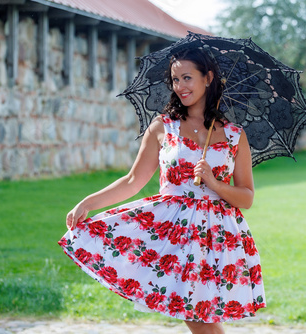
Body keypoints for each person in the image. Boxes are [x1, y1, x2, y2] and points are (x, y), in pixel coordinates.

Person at [59, 48, 266, 334]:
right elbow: (133, 180)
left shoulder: (234, 135)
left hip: (216, 238)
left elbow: (247, 197)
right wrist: (88, 202)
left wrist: (215, 183)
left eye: (187, 78)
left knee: (203, 320)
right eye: (175, 79)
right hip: (174, 235)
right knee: (199, 319)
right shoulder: (162, 127)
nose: (180, 86)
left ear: (208, 78)